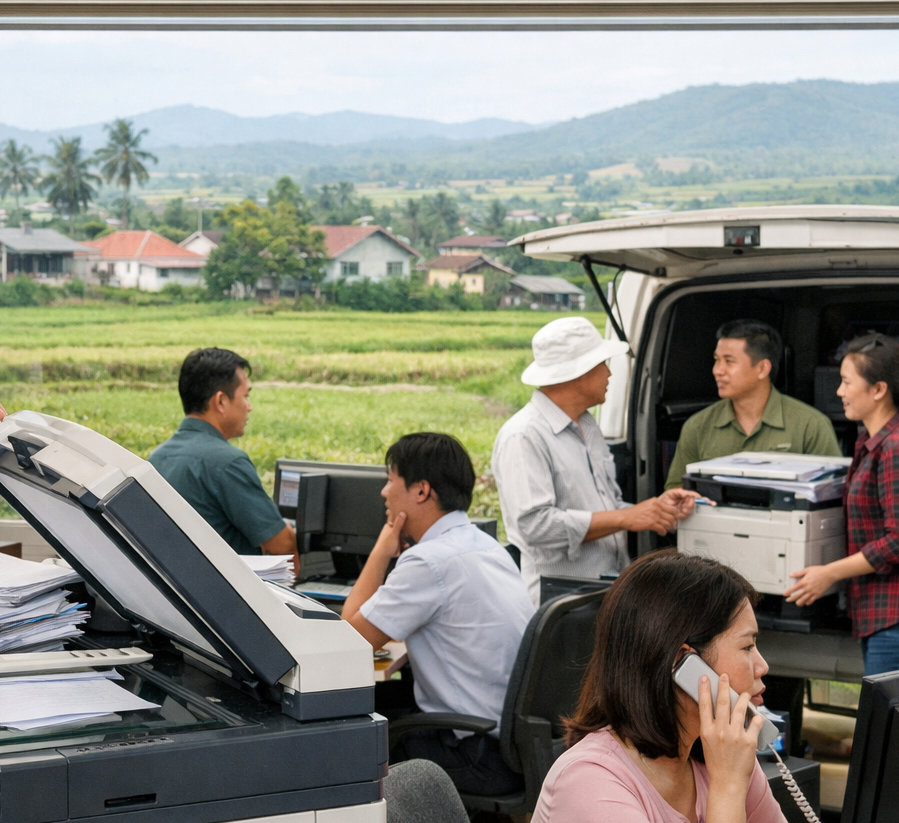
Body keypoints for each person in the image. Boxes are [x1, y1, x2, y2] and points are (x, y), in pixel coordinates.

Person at [497, 551, 826, 823]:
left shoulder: (716, 757)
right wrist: (730, 788)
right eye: (747, 647)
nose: (762, 665)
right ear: (684, 666)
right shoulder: (588, 782)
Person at [341, 433, 533, 797]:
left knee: (345, 728)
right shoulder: (486, 546)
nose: (383, 491)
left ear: (421, 491)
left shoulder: (428, 561)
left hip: (476, 756)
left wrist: (383, 548)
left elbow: (348, 640)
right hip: (516, 748)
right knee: (393, 699)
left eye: (390, 479)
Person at [492, 317, 698, 603]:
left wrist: (654, 511)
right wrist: (627, 517)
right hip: (562, 600)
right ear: (579, 372)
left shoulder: (588, 427)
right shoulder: (524, 435)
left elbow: (606, 507)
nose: (609, 374)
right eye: (603, 364)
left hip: (606, 590)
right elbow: (534, 526)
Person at [784, 336, 899, 674]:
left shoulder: (898, 448)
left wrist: (829, 573)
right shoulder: (873, 445)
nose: (839, 392)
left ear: (878, 390)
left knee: (888, 727)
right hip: (883, 617)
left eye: (846, 382)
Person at [150, 348, 298, 570]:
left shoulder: (157, 458)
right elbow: (282, 546)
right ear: (220, 401)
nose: (250, 407)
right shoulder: (227, 463)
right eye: (245, 396)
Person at [664, 319, 841, 490]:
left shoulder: (810, 424)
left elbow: (831, 491)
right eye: (717, 360)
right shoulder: (697, 426)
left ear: (762, 368)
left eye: (729, 361)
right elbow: (676, 489)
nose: (717, 370)